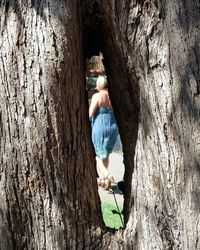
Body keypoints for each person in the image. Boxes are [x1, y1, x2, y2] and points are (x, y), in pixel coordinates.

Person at [89, 76, 118, 189]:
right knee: (105, 156)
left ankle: (107, 175)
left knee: (97, 156)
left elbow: (90, 113)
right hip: (112, 128)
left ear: (99, 84)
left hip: (100, 128)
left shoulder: (97, 96)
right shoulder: (113, 96)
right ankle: (104, 181)